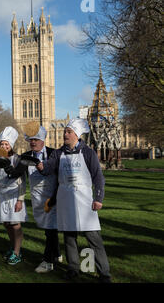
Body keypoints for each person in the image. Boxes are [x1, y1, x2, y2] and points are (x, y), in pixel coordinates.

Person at [36, 118, 111, 283]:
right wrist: (41, 167)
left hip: (85, 199)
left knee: (93, 237)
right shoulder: (58, 153)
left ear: (77, 135)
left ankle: (104, 273)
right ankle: (73, 268)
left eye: (69, 132)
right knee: (69, 237)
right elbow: (48, 169)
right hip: (65, 199)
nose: (65, 134)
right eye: (65, 132)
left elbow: (98, 177)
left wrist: (98, 198)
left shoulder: (88, 152)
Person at [21, 123, 62, 273]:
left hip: (52, 197)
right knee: (48, 229)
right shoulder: (25, 157)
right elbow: (16, 174)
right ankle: (56, 253)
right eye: (31, 139)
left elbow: (60, 176)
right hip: (37, 199)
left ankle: (47, 261)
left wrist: (56, 197)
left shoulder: (54, 154)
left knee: (51, 229)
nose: (33, 142)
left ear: (43, 140)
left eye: (36, 139)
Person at [0, 126, 28, 266]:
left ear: (11, 145)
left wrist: (20, 200)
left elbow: (22, 181)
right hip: (2, 195)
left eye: (6, 144)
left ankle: (17, 252)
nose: (4, 146)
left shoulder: (17, 159)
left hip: (14, 195)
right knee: (6, 223)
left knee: (15, 225)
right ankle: (12, 246)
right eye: (2, 144)